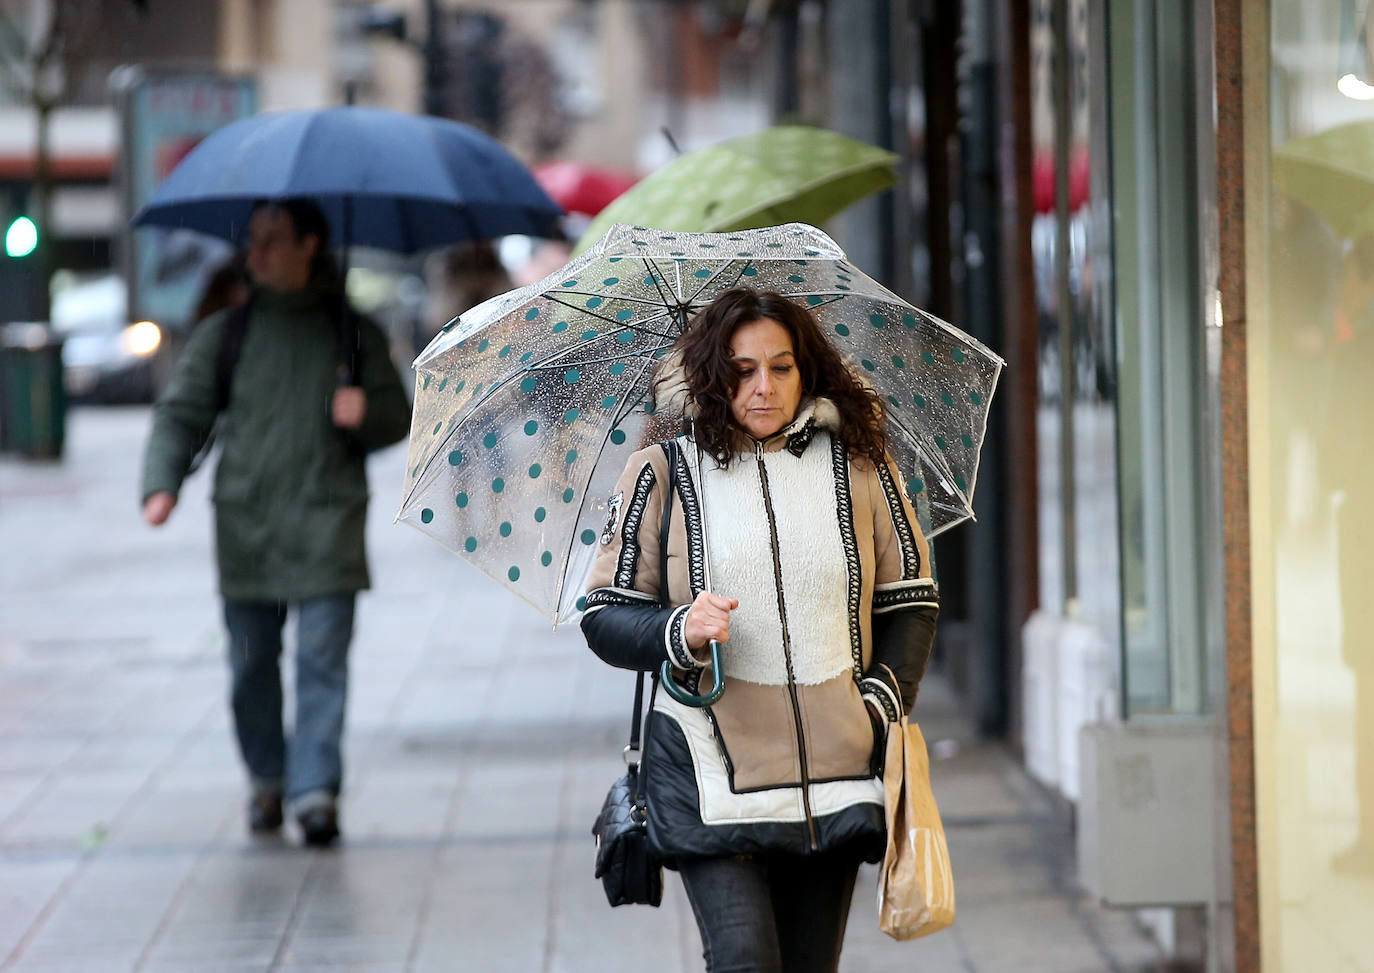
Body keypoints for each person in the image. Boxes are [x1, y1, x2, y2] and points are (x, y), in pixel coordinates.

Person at [581, 288, 940, 972]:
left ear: (809, 370)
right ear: (713, 376)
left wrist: (879, 705)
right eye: (742, 370)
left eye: (781, 366)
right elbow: (604, 614)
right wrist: (679, 626)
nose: (764, 386)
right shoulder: (662, 471)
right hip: (707, 762)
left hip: (835, 766)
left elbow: (913, 598)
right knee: (744, 956)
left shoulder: (862, 463)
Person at [140, 199, 411, 847]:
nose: (256, 253)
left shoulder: (353, 331)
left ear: (311, 245)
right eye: (253, 239)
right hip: (248, 524)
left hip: (328, 519)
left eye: (273, 239)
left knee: (321, 660)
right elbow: (181, 414)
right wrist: (161, 483)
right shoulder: (226, 333)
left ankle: (314, 789)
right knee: (250, 664)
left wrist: (363, 411)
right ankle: (267, 776)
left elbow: (399, 414)